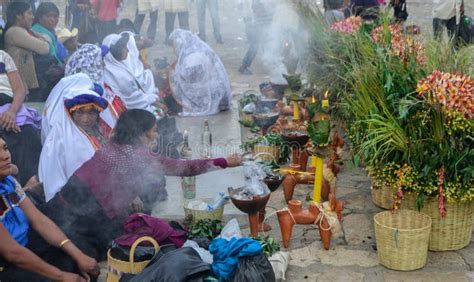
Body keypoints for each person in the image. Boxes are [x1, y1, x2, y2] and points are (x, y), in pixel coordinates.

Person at [40, 109, 242, 261]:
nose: (156, 135)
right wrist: (225, 162)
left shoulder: (114, 146)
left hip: (65, 205)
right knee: (141, 239)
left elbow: (115, 180)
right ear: (140, 134)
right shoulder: (136, 156)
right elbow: (182, 168)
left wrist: (131, 198)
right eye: (153, 131)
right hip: (82, 217)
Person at [0, 135, 100, 281]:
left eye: (5, 148)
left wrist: (79, 255)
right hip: (6, 263)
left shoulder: (8, 181)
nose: (5, 156)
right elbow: (12, 253)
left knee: (82, 252)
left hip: (26, 243)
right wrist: (61, 276)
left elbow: (38, 220)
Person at [39, 74, 116, 202]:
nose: (85, 119)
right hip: (76, 202)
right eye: (80, 112)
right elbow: (52, 181)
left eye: (91, 113)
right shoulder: (57, 139)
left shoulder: (102, 132)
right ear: (71, 112)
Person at [0, 49, 42, 187]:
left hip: (10, 107)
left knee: (27, 131)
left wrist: (12, 112)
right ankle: (17, 186)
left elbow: (19, 89)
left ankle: (32, 182)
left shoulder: (3, 56)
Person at [169, 29, 231, 116]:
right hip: (215, 90)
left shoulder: (191, 59)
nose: (174, 50)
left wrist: (174, 75)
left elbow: (193, 82)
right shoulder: (196, 51)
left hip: (207, 92)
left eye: (174, 46)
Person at [65, 43, 126, 120]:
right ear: (89, 64)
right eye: (101, 60)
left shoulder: (100, 84)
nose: (104, 64)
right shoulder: (85, 97)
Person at [3, 2, 51, 101]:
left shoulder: (24, 30)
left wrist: (38, 36)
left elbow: (48, 40)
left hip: (24, 85)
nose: (32, 17)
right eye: (29, 13)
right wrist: (41, 38)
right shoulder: (15, 31)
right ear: (18, 15)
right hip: (20, 86)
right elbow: (44, 48)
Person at [238, 0, 275, 75]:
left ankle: (271, 64)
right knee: (254, 46)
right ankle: (243, 67)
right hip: (255, 25)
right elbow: (256, 10)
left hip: (261, 23)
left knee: (267, 43)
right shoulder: (258, 3)